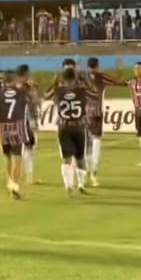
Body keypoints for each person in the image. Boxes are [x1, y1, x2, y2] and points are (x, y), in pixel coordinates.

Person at [45, 63, 98, 197]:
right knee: (80, 158)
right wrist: (86, 80)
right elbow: (95, 93)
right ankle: (80, 184)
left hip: (64, 128)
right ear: (75, 77)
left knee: (67, 159)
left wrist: (54, 82)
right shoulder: (82, 90)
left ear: (63, 78)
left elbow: (45, 96)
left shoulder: (58, 91)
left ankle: (69, 185)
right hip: (79, 127)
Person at [0, 70, 31, 199]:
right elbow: (27, 106)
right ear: (14, 80)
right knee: (17, 157)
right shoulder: (21, 93)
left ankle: (10, 182)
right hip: (17, 127)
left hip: (3, 128)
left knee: (7, 158)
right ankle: (15, 185)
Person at [84, 57, 124, 187]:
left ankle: (83, 173)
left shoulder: (81, 77)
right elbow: (118, 81)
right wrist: (120, 68)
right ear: (97, 66)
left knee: (86, 145)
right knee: (96, 142)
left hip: (82, 115)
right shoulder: (101, 76)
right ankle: (93, 173)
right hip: (96, 114)